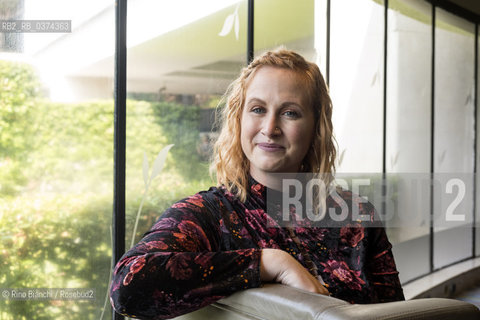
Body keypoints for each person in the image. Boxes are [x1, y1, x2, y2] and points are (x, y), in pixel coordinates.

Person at [110, 49, 405, 319]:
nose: (270, 128)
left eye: (290, 112)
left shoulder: (356, 214)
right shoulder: (210, 215)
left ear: (316, 127)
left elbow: (397, 313)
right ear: (239, 119)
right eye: (258, 109)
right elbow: (128, 286)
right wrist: (269, 263)